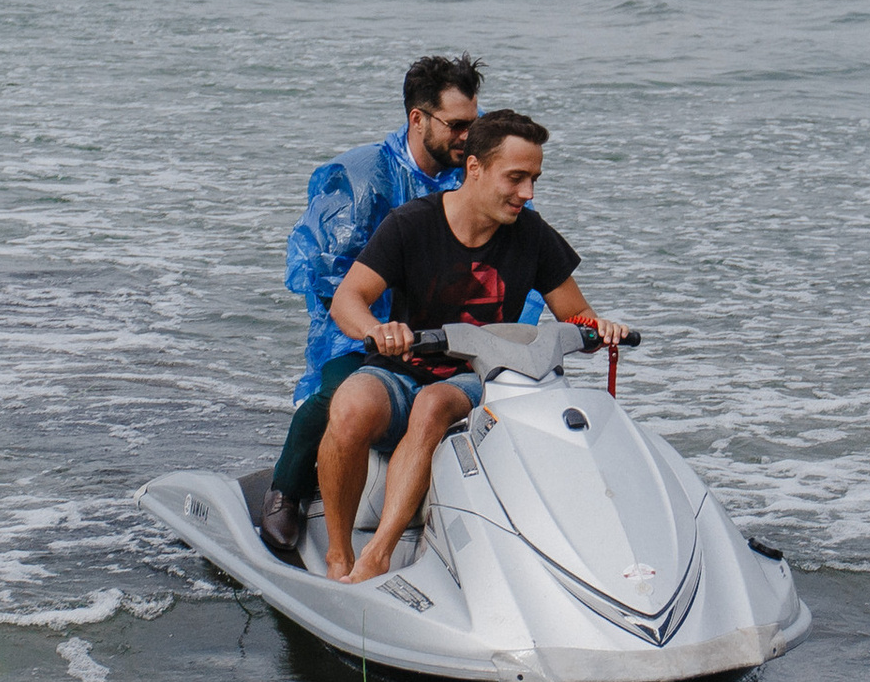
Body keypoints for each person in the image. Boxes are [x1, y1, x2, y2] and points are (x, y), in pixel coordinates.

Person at [319, 109, 625, 584]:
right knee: (351, 406)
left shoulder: (533, 235)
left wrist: (600, 328)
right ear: (475, 167)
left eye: (535, 178)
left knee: (433, 402)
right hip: (402, 368)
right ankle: (338, 556)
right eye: (516, 178)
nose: (528, 193)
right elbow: (348, 300)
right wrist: (377, 331)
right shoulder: (411, 225)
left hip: (480, 379)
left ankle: (378, 554)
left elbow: (576, 318)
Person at [258, 54, 485, 563]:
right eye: (457, 125)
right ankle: (286, 488)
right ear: (418, 119)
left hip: (446, 331)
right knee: (341, 394)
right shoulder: (363, 176)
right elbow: (326, 270)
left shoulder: (473, 175)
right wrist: (376, 327)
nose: (468, 138)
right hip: (362, 329)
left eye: (475, 124)